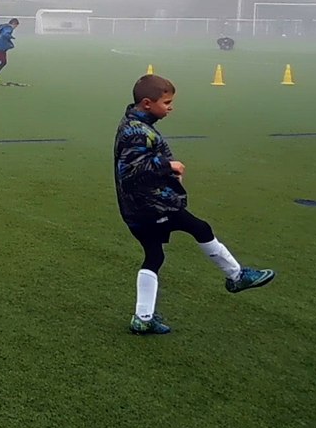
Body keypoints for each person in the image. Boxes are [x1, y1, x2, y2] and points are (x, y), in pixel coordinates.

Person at [114, 74, 275, 336]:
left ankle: (143, 318)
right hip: (151, 206)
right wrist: (168, 165)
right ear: (146, 103)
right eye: (166, 102)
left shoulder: (136, 123)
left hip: (137, 208)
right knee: (200, 228)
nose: (170, 107)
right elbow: (131, 170)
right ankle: (236, 277)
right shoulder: (137, 131)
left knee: (154, 256)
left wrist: (166, 172)